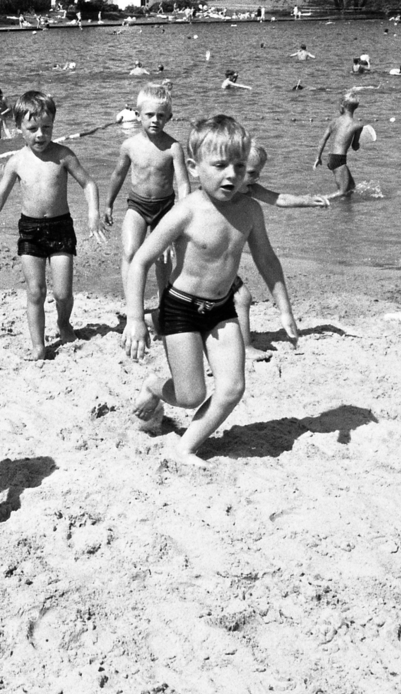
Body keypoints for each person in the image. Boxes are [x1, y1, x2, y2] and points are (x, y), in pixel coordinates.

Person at [122, 115, 299, 467]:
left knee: (232, 388)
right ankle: (155, 387)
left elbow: (266, 259)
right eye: (219, 166)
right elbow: (140, 261)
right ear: (194, 167)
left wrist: (284, 309)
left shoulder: (251, 211)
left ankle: (185, 447)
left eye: (239, 166)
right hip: (181, 309)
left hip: (221, 309)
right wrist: (135, 319)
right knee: (190, 396)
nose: (231, 175)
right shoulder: (186, 211)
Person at [0, 91, 105, 361]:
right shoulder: (16, 161)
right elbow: (0, 194)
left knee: (63, 293)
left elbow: (89, 184)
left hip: (61, 228)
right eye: (33, 128)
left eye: (47, 128)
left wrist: (93, 212)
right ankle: (38, 345)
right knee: (36, 291)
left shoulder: (63, 156)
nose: (40, 134)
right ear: (19, 128)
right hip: (30, 230)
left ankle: (63, 322)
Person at [233, 141, 327, 361]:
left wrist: (307, 201)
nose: (257, 178)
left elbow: (279, 198)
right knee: (242, 298)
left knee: (238, 298)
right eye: (252, 173)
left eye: (259, 173)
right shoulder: (219, 193)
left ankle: (156, 321)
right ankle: (244, 347)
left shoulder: (249, 190)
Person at [104, 83, 190, 294]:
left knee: (163, 257)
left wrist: (181, 216)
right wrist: (108, 204)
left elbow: (183, 184)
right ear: (138, 114)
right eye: (149, 115)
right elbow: (118, 175)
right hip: (137, 206)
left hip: (165, 209)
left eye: (161, 116)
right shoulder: (129, 146)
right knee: (130, 252)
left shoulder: (173, 148)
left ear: (169, 117)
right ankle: (132, 302)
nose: (155, 120)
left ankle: (164, 303)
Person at [314, 93, 363, 199]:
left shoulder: (334, 121)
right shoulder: (357, 125)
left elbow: (323, 140)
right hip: (339, 159)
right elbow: (355, 147)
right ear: (356, 107)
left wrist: (318, 157)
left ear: (343, 105)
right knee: (342, 192)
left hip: (331, 157)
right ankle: (319, 199)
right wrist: (359, 144)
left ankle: (345, 208)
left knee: (351, 187)